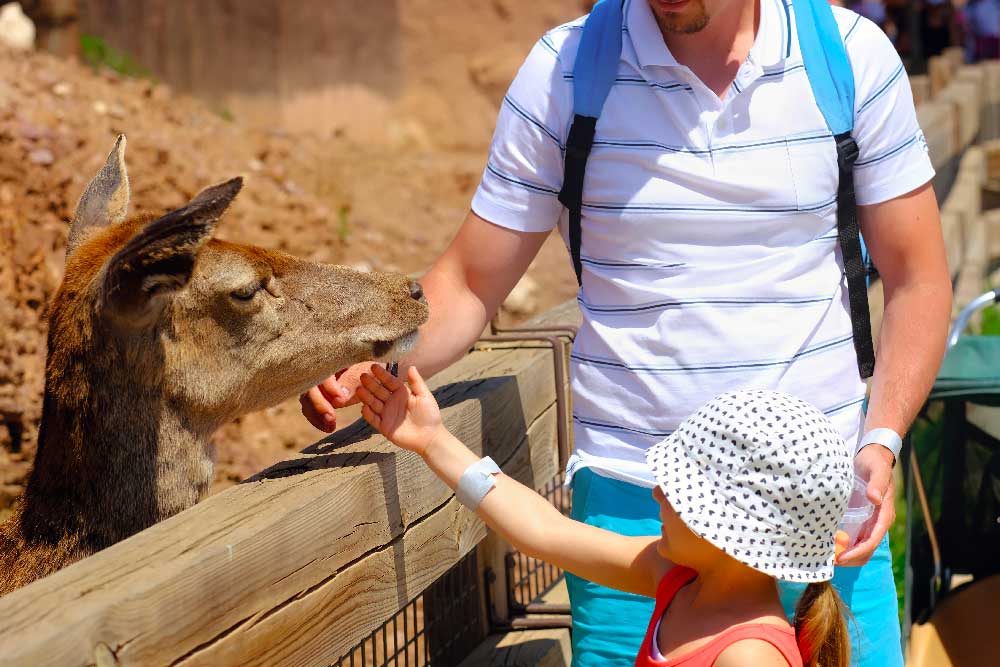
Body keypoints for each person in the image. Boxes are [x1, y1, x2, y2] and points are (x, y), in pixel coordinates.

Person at [302, 1, 952, 665]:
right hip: (637, 506)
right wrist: (369, 358)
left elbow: (917, 280)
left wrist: (883, 435)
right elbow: (470, 281)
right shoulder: (565, 73)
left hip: (817, 521)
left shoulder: (847, 57)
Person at [356, 364, 855, 667]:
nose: (658, 491)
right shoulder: (678, 580)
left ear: (728, 530)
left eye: (682, 490)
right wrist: (432, 440)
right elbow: (544, 532)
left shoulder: (748, 656)